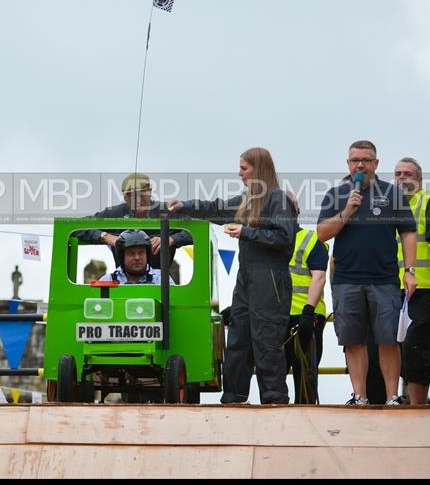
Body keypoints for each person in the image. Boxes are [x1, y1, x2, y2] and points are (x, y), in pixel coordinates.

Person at [169, 147, 298, 404]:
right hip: (246, 279)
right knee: (238, 338)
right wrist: (185, 206)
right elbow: (215, 208)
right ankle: (233, 397)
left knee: (266, 340)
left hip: (270, 279)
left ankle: (274, 399)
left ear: (259, 168)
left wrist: (246, 232)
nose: (239, 173)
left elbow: (285, 238)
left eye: (244, 168)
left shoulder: (277, 199)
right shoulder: (246, 200)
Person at [316, 140, 417, 406]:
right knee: (353, 340)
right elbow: (322, 234)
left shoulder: (393, 194)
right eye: (355, 160)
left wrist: (409, 270)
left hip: (384, 279)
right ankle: (359, 396)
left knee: (388, 339)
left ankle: (392, 397)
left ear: (376, 164)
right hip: (346, 280)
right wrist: (347, 210)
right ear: (348, 164)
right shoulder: (335, 194)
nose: (360, 164)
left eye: (366, 160)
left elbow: (408, 232)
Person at [394, 157, 430, 405]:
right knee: (390, 348)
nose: (402, 178)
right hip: (391, 289)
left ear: (419, 179)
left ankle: (417, 406)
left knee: (416, 349)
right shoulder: (387, 207)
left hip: (424, 289)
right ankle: (393, 400)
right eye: (397, 174)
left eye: (408, 174)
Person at [75, 173, 192, 269]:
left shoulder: (168, 212)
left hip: (162, 285)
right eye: (132, 196)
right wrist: (105, 237)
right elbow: (76, 227)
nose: (138, 200)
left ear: (150, 192)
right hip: (124, 284)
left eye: (142, 194)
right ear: (125, 197)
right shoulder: (113, 214)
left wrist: (171, 239)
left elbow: (199, 229)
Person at [286, 226, 329, 404]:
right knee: (274, 380)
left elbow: (319, 277)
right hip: (279, 317)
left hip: (306, 318)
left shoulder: (311, 239)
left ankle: (306, 420)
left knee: (306, 377)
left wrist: (308, 311)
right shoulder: (270, 238)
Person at [98, 229, 174, 285]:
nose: (137, 258)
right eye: (131, 254)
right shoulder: (108, 280)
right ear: (122, 257)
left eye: (141, 253)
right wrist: (104, 236)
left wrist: (172, 239)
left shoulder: (162, 279)